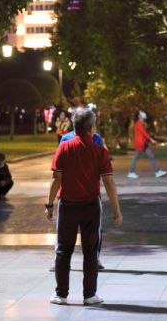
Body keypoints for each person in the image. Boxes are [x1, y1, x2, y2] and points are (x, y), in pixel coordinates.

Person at [45, 108, 123, 305]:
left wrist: (50, 204)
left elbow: (56, 178)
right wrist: (116, 210)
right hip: (90, 206)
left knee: (63, 250)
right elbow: (109, 183)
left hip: (67, 206)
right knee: (90, 250)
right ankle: (89, 295)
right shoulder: (100, 151)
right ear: (92, 128)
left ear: (74, 126)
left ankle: (61, 294)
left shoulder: (64, 148)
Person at [128, 110, 167, 178]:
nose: (143, 114)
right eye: (141, 113)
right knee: (135, 158)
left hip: (144, 143)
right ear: (139, 116)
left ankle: (157, 171)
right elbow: (144, 133)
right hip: (140, 144)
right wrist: (151, 140)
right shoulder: (139, 123)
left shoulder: (142, 123)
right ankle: (131, 172)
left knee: (151, 156)